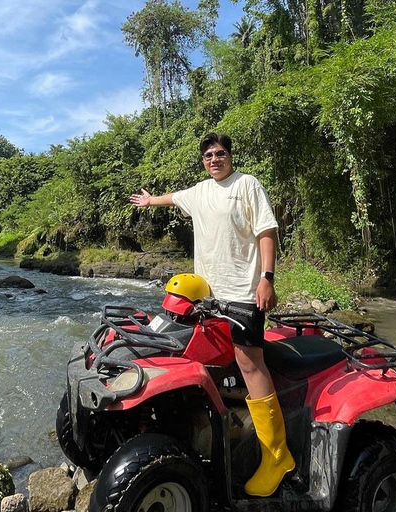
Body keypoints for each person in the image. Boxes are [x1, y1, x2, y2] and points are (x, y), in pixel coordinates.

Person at [129, 132, 294, 497]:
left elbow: (267, 233)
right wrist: (148, 200)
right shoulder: (200, 191)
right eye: (208, 155)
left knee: (250, 364)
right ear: (203, 161)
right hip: (208, 298)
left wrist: (267, 279)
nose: (214, 159)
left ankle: (277, 455)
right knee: (207, 358)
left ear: (230, 156)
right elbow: (173, 199)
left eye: (220, 153)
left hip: (244, 295)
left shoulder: (247, 185)